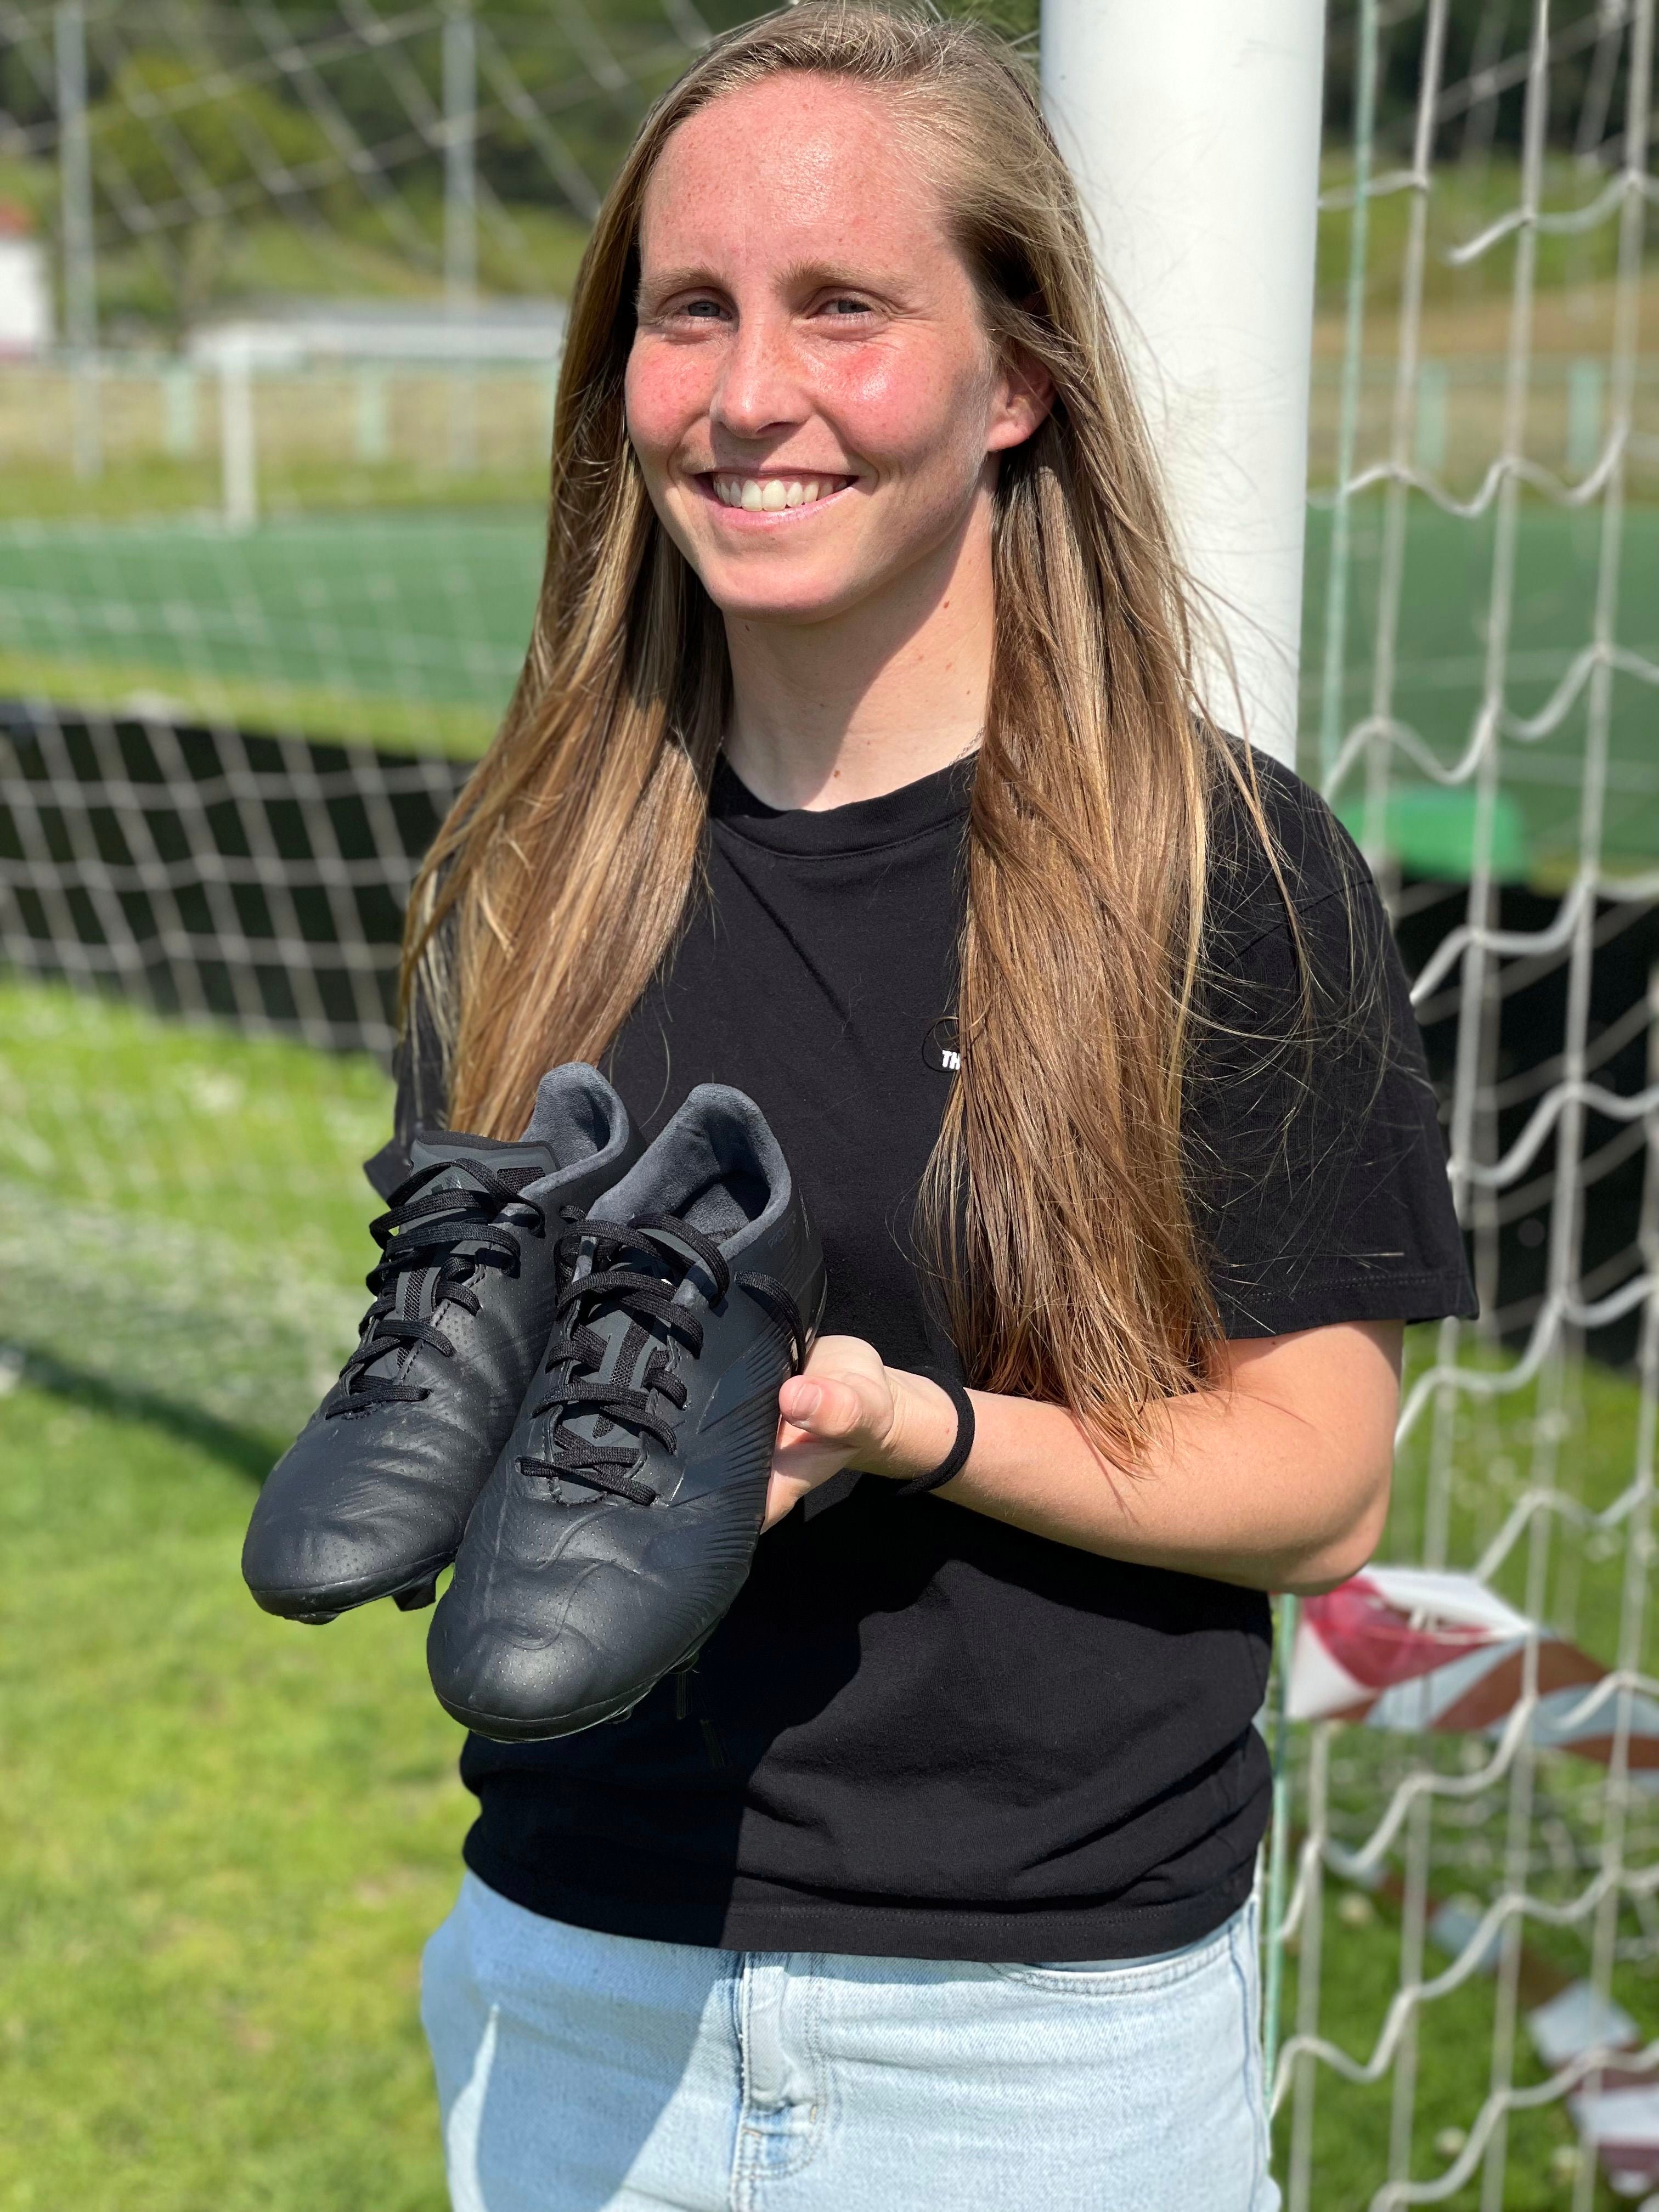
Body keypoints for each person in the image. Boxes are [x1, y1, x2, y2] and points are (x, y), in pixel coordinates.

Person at [382, 7, 1475, 2207]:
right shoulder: (531, 873)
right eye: (691, 310)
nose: (747, 393)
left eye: (845, 308)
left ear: (1017, 378)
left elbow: (1321, 1483)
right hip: (574, 1978)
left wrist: (911, 1424)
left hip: (1041, 2042)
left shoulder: (1214, 869)